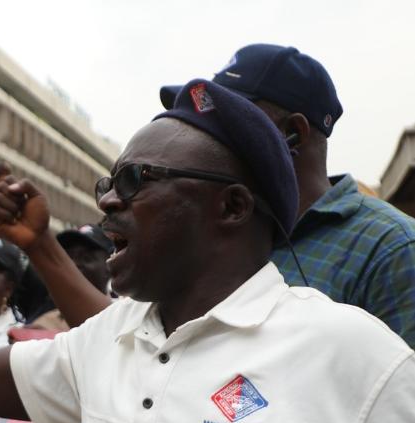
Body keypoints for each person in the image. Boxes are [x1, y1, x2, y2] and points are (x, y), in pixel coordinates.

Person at [0, 79, 415, 423]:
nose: (107, 200)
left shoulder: (353, 354)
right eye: (108, 180)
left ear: (230, 207)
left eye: (135, 179)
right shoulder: (111, 339)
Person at [160, 44, 415, 347]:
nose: (206, 135)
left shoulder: (391, 248)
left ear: (292, 131)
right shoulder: (222, 229)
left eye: (229, 121)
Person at [56, 224, 114, 296]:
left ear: (110, 266)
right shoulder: (46, 303)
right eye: (68, 257)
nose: (74, 264)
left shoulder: (124, 305)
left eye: (86, 258)